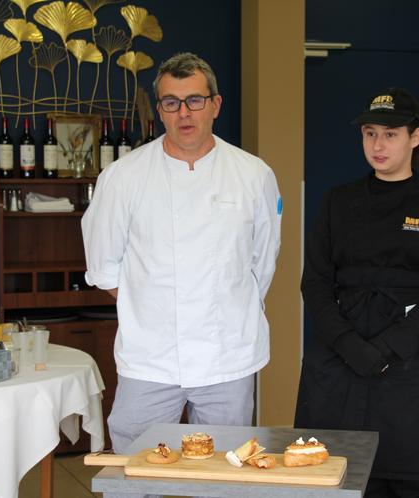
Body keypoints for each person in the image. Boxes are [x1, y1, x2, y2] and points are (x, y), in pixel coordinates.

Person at [82, 52, 282, 454]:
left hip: (228, 357)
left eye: (195, 100)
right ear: (160, 110)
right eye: (171, 102)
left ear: (215, 105)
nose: (184, 113)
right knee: (136, 473)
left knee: (227, 474)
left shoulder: (253, 175)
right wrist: (153, 306)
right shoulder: (123, 176)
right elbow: (104, 267)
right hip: (149, 359)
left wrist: (225, 306)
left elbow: (263, 261)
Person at [295, 87, 419, 497]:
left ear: (415, 137)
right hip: (342, 358)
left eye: (391, 134)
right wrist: (348, 344)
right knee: (343, 477)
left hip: (413, 363)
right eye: (370, 133)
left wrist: (387, 348)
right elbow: (316, 282)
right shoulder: (337, 202)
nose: (378, 144)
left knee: (409, 481)